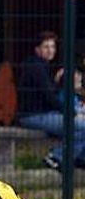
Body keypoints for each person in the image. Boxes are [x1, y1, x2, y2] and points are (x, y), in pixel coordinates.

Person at [17, 31, 85, 169]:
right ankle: (55, 157)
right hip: (33, 116)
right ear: (37, 49)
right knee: (81, 126)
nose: (50, 50)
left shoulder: (42, 66)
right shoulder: (36, 67)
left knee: (81, 126)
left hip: (45, 114)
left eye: (52, 47)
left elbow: (51, 94)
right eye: (46, 47)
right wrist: (71, 112)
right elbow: (50, 97)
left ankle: (77, 159)